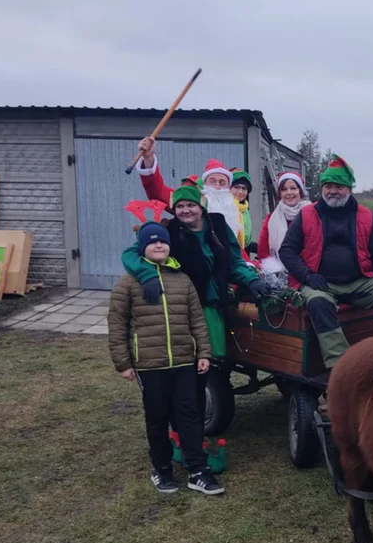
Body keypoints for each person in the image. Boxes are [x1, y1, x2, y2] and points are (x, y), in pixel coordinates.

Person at [120, 184, 269, 433]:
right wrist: (147, 274)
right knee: (186, 371)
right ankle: (184, 425)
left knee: (212, 368)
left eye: (190, 205)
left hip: (213, 308)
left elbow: (233, 260)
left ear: (202, 206)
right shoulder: (169, 231)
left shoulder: (218, 226)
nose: (185, 211)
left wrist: (250, 279)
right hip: (182, 309)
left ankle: (203, 419)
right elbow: (131, 254)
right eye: (180, 206)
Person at [107, 221, 224, 495]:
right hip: (150, 364)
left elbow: (196, 318)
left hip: (184, 361)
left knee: (189, 417)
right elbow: (117, 324)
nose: (158, 245)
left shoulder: (182, 280)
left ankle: (198, 470)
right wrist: (123, 363)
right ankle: (162, 469)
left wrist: (203, 352)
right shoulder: (128, 284)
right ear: (143, 247)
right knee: (157, 418)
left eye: (163, 241)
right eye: (152, 241)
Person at [278, 155, 373, 370]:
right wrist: (308, 276)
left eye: (339, 186)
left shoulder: (366, 216)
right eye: (329, 186)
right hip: (320, 283)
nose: (333, 191)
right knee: (318, 303)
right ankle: (341, 367)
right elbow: (287, 251)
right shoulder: (306, 215)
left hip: (360, 281)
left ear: (349, 188)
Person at [134, 137, 250, 263]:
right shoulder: (190, 201)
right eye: (212, 181)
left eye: (222, 182)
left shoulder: (233, 210)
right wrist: (149, 159)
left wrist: (250, 264)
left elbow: (234, 246)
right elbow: (157, 191)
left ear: (228, 187)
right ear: (204, 184)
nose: (217, 186)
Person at [256, 171, 312, 289]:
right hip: (281, 276)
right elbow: (263, 252)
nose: (289, 193)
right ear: (279, 193)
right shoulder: (271, 220)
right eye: (284, 189)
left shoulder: (313, 215)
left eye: (293, 188)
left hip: (309, 273)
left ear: (300, 191)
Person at [229, 168, 257, 254]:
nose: (240, 191)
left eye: (244, 188)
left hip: (243, 253)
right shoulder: (226, 209)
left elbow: (245, 240)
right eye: (236, 187)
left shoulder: (244, 208)